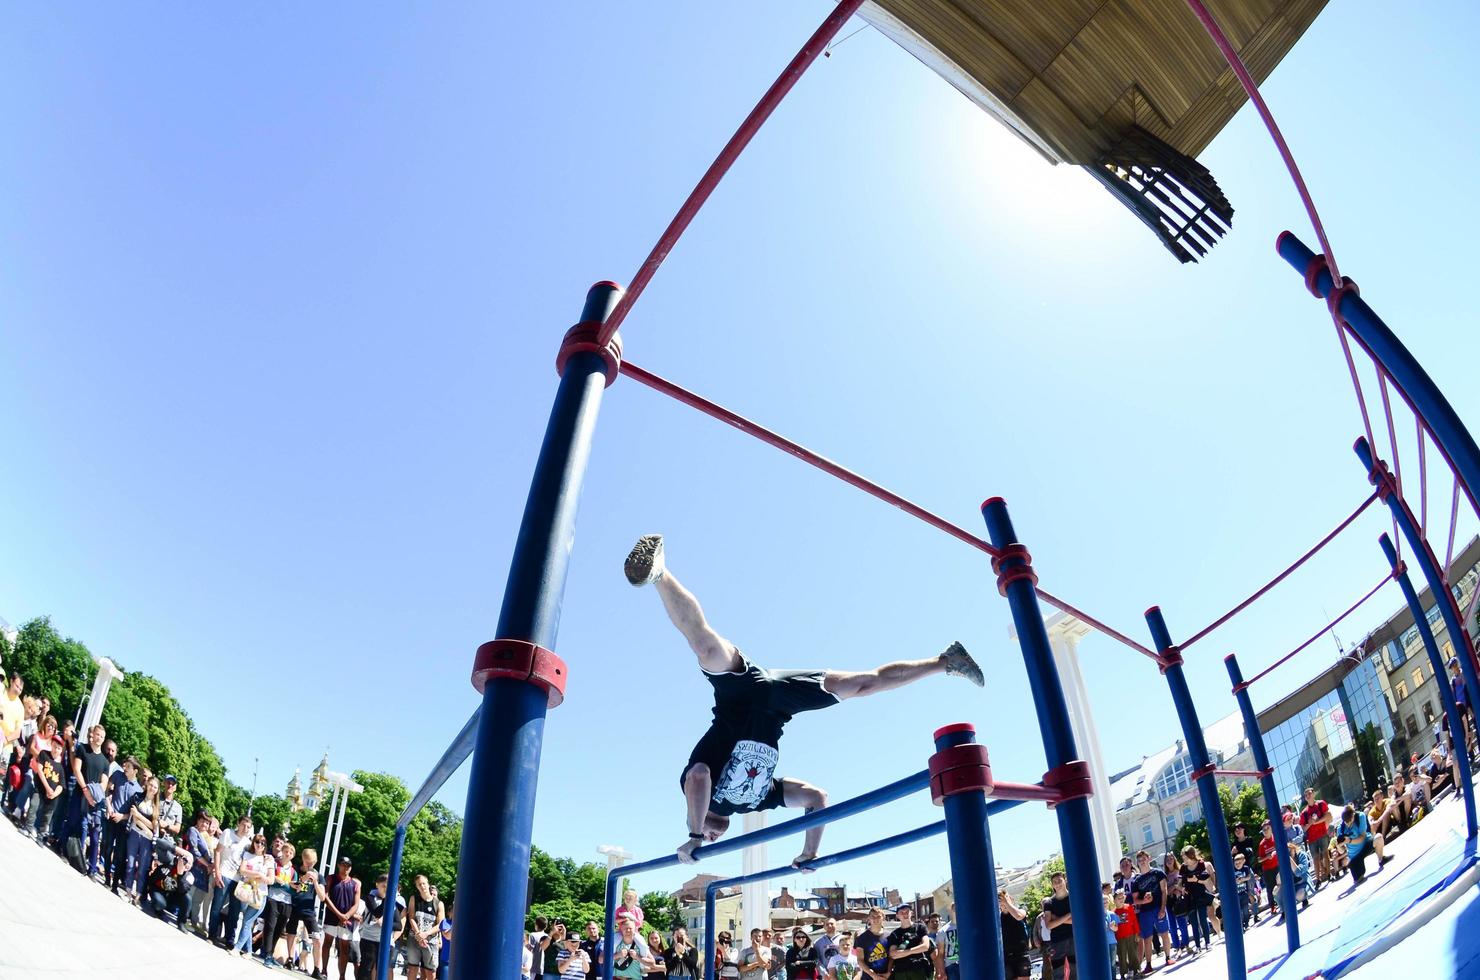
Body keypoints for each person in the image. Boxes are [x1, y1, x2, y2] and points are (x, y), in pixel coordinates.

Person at [623, 534, 984, 866]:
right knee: (863, 685)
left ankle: (659, 572)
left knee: (705, 644)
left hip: (739, 694)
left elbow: (700, 775)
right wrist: (809, 853)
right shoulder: (758, 799)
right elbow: (817, 798)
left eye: (711, 836)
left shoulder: (701, 806)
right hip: (781, 703)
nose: (715, 838)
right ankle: (947, 661)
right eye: (714, 838)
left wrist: (694, 834)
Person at [69, 723, 110, 877]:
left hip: (94, 800)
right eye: (97, 734)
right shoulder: (82, 749)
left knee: (93, 833)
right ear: (93, 735)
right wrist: (85, 789)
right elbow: (76, 769)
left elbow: (104, 783)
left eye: (102, 736)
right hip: (80, 793)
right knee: (75, 824)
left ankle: (92, 868)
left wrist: (94, 795)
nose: (98, 738)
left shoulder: (105, 762)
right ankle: (73, 857)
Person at [210, 813, 253, 946]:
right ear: (238, 824)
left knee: (234, 911)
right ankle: (212, 935)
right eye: (243, 825)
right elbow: (218, 851)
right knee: (217, 906)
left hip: (238, 880)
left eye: (248, 827)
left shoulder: (248, 843)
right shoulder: (228, 833)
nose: (245, 829)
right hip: (224, 874)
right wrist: (217, 872)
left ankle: (230, 939)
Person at [291, 848, 332, 980]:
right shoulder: (295, 870)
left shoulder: (318, 876)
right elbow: (293, 886)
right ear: (303, 859)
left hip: (309, 910)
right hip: (294, 906)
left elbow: (322, 897)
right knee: (291, 933)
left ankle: (316, 969)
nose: (310, 864)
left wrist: (314, 882)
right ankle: (290, 959)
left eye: (313, 862)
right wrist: (303, 879)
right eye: (308, 861)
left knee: (316, 939)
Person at [230, 833, 274, 954]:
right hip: (246, 891)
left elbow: (271, 879)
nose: (260, 845)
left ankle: (237, 948)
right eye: (257, 842)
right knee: (246, 922)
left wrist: (256, 876)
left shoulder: (268, 859)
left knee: (247, 922)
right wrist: (259, 875)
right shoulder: (248, 855)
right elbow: (242, 870)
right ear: (253, 843)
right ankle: (249, 951)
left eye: (263, 843)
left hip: (259, 894)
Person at [1130, 851, 1171, 972]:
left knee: (1164, 933)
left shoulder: (1158, 873)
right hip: (1145, 912)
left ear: (1149, 858)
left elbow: (1164, 891)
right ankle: (1148, 964)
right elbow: (1135, 899)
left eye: (1144, 858)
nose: (1142, 861)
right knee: (1147, 938)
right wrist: (1144, 901)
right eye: (1139, 859)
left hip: (1158, 907)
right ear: (1137, 862)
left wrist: (1163, 908)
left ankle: (1168, 957)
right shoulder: (1137, 880)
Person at [359, 873, 405, 980]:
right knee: (366, 968)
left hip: (385, 941)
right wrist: (387, 898)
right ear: (377, 885)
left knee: (382, 969)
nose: (386, 889)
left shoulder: (394, 903)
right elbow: (377, 912)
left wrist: (385, 923)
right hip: (369, 938)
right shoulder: (370, 898)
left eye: (388, 887)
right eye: (384, 886)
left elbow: (398, 925)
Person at [261, 841, 300, 967]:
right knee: (270, 926)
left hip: (287, 902)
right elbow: (271, 881)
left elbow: (295, 890)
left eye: (290, 852)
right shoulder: (275, 864)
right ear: (282, 852)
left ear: (293, 855)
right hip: (273, 898)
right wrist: (284, 884)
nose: (288, 854)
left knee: (279, 929)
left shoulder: (294, 871)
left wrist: (283, 883)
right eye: (286, 851)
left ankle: (270, 954)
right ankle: (266, 954)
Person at [324, 855, 364, 980]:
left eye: (348, 866)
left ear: (350, 868)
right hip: (332, 915)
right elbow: (326, 897)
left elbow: (356, 903)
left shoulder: (355, 883)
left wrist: (347, 915)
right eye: (343, 865)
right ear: (338, 865)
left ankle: (342, 976)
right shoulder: (331, 878)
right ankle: (324, 970)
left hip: (347, 919)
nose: (345, 868)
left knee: (344, 948)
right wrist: (338, 914)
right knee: (327, 942)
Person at [123, 773, 160, 905]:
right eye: (151, 785)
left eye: (155, 787)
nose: (152, 788)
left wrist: (138, 815)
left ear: (157, 790)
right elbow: (132, 816)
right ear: (147, 785)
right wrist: (144, 822)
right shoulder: (138, 797)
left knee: (143, 868)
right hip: (134, 833)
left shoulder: (156, 807)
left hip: (147, 840)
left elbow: (154, 827)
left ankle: (137, 896)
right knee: (131, 864)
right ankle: (128, 892)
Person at [25, 714, 63, 841]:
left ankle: (39, 833)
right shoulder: (42, 746)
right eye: (49, 725)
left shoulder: (59, 763)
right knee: (32, 801)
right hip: (37, 776)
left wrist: (53, 793)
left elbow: (61, 783)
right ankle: (26, 823)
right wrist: (43, 757)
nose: (51, 727)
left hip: (50, 788)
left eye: (54, 726)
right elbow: (32, 750)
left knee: (46, 812)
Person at [1335, 802, 1388, 886]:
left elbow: (1362, 838)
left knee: (1378, 837)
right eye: (1346, 822)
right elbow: (1342, 852)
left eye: (1350, 820)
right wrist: (1339, 846)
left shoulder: (1360, 816)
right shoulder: (1340, 829)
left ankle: (1381, 859)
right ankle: (1356, 868)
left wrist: (1349, 840)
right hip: (1354, 855)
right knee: (1358, 880)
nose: (1348, 824)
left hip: (1366, 844)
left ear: (1353, 814)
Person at [403, 874, 445, 980]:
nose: (422, 886)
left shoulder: (439, 904)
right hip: (415, 938)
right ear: (417, 887)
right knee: (412, 968)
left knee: (431, 972)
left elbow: (440, 924)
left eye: (424, 883)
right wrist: (418, 933)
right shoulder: (414, 899)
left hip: (430, 941)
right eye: (419, 884)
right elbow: (411, 917)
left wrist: (426, 934)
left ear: (428, 884)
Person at [145, 849, 195, 928]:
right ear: (180, 860)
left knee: (188, 898)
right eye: (185, 861)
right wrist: (147, 892)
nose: (187, 865)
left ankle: (181, 922)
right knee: (159, 904)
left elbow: (183, 891)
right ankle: (157, 907)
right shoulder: (169, 866)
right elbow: (152, 879)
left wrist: (180, 875)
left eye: (190, 864)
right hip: (159, 891)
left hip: (172, 896)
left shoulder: (190, 876)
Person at [184, 809, 216, 934]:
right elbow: (194, 850)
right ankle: (184, 919)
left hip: (204, 873)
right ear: (197, 820)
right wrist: (208, 864)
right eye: (202, 820)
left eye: (207, 823)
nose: (205, 824)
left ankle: (194, 921)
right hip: (194, 868)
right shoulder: (193, 831)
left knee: (198, 900)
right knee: (189, 896)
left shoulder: (207, 837)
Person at [1179, 846, 1212, 952]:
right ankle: (1198, 945)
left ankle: (1207, 943)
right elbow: (1179, 884)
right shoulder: (1183, 868)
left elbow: (1207, 880)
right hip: (1189, 897)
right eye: (1183, 858)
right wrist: (1182, 888)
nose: (1184, 860)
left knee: (1203, 919)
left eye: (1185, 857)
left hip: (1201, 894)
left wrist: (1196, 880)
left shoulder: (1201, 864)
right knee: (1193, 922)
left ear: (1191, 855)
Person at [1300, 787, 1333, 885]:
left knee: (1326, 855)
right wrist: (1310, 823)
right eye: (1306, 795)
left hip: (1322, 834)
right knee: (1316, 859)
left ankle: (1328, 875)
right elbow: (1303, 829)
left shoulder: (1321, 804)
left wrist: (1318, 821)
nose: (1308, 796)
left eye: (1309, 793)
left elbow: (1329, 815)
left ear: (1313, 793)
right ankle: (1318, 879)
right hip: (1312, 839)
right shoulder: (1304, 813)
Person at [997, 892, 1029, 980]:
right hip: (1006, 955)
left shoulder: (1021, 909)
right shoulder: (998, 918)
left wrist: (1007, 903)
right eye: (1000, 899)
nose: (1003, 901)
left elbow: (1019, 916)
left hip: (1021, 953)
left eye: (1006, 898)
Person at [854, 908, 890, 980]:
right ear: (869, 918)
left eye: (878, 916)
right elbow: (860, 960)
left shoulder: (890, 936)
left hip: (886, 976)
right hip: (868, 977)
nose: (875, 919)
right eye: (873, 916)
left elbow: (891, 957)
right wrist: (873, 975)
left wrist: (889, 972)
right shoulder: (861, 937)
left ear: (883, 918)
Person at [1256, 821, 1281, 918]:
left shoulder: (1276, 838)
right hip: (1267, 869)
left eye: (1267, 828)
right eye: (1264, 830)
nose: (1266, 831)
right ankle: (1272, 906)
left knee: (1281, 884)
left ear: (1271, 828)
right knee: (1270, 889)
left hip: (1278, 866)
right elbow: (1259, 859)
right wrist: (1267, 857)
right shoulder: (1262, 844)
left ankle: (1283, 901)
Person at [1230, 852, 1255, 929]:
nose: (1237, 865)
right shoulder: (1232, 870)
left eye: (1239, 863)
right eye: (1236, 863)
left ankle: (1246, 923)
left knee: (1245, 909)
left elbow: (1249, 877)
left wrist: (1242, 879)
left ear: (1243, 862)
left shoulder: (1246, 868)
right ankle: (1241, 925)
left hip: (1244, 891)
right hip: (1236, 893)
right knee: (1239, 910)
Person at [1288, 841, 1314, 912]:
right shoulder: (1284, 862)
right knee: (1276, 891)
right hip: (1293, 885)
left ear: (1293, 848)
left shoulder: (1302, 855)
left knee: (1300, 895)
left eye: (1289, 851)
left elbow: (1298, 872)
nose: (1288, 854)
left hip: (1304, 882)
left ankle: (1304, 898)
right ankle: (1283, 911)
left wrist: (1290, 859)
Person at [438, 903, 454, 980]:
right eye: (453, 910)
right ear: (449, 912)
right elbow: (448, 936)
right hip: (446, 961)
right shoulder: (445, 922)